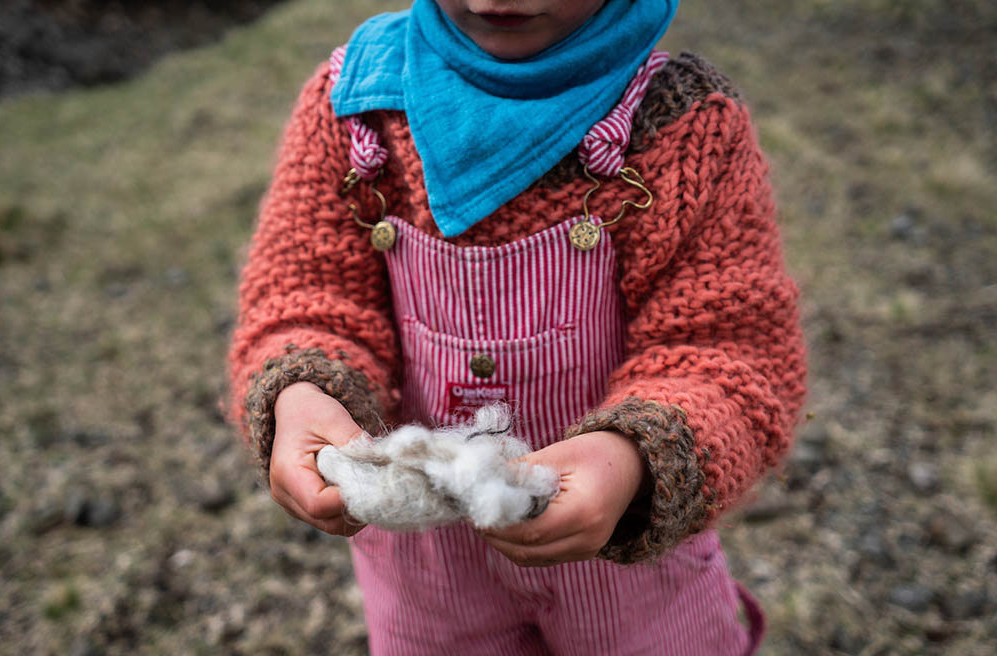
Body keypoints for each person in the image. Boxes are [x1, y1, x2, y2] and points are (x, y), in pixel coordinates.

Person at [228, 0, 807, 653]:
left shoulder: (684, 131)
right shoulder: (355, 113)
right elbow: (305, 295)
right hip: (430, 584)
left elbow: (729, 351)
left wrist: (633, 464)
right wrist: (304, 394)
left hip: (631, 577)